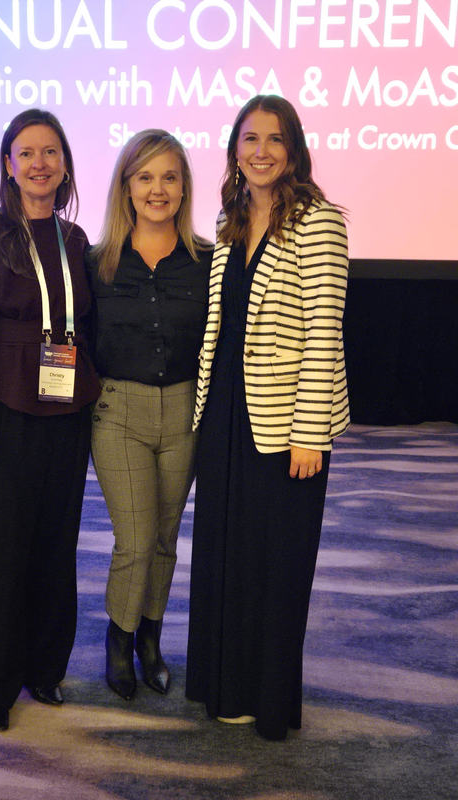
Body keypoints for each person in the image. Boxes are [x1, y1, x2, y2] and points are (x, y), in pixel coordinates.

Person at [185, 95, 350, 741]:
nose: (261, 150)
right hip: (226, 407)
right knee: (225, 549)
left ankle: (270, 697)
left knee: (277, 560)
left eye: (274, 139)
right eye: (249, 138)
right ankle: (223, 684)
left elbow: (321, 331)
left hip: (287, 422)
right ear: (233, 149)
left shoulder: (320, 221)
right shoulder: (229, 221)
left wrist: (310, 433)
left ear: (294, 149)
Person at [0, 109, 100, 732]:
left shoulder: (76, 240)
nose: (40, 164)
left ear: (65, 165)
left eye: (50, 153)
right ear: (8, 164)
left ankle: (43, 669)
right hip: (0, 417)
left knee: (54, 550)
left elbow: (84, 327)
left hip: (66, 415)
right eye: (26, 153)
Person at [87, 130, 212, 700]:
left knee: (164, 537)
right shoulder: (97, 263)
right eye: (145, 177)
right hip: (119, 413)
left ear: (184, 187)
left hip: (185, 410)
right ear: (126, 187)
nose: (157, 189)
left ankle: (150, 643)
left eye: (169, 177)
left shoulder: (208, 262)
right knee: (134, 538)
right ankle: (119, 639)